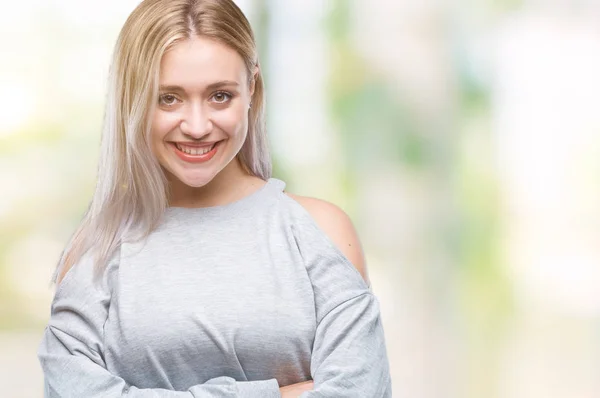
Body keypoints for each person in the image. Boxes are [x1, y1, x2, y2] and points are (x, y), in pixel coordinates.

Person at [37, 0, 392, 397]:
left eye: (220, 96)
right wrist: (277, 394)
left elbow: (359, 391)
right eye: (168, 98)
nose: (197, 126)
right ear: (132, 99)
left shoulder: (318, 230)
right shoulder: (97, 249)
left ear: (251, 88)